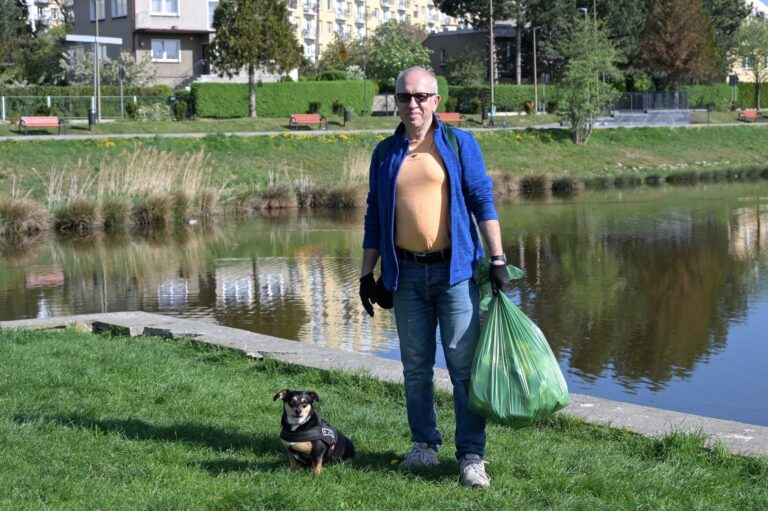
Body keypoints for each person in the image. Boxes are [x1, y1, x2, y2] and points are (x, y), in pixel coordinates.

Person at [359, 66, 509, 489]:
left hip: (455, 273)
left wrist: (497, 258)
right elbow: (375, 215)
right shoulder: (385, 152)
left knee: (463, 370)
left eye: (421, 96)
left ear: (436, 101)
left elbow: (482, 200)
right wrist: (367, 273)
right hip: (406, 275)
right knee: (415, 368)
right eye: (404, 96)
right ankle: (424, 446)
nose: (413, 104)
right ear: (396, 102)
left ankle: (471, 456)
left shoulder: (459, 144)